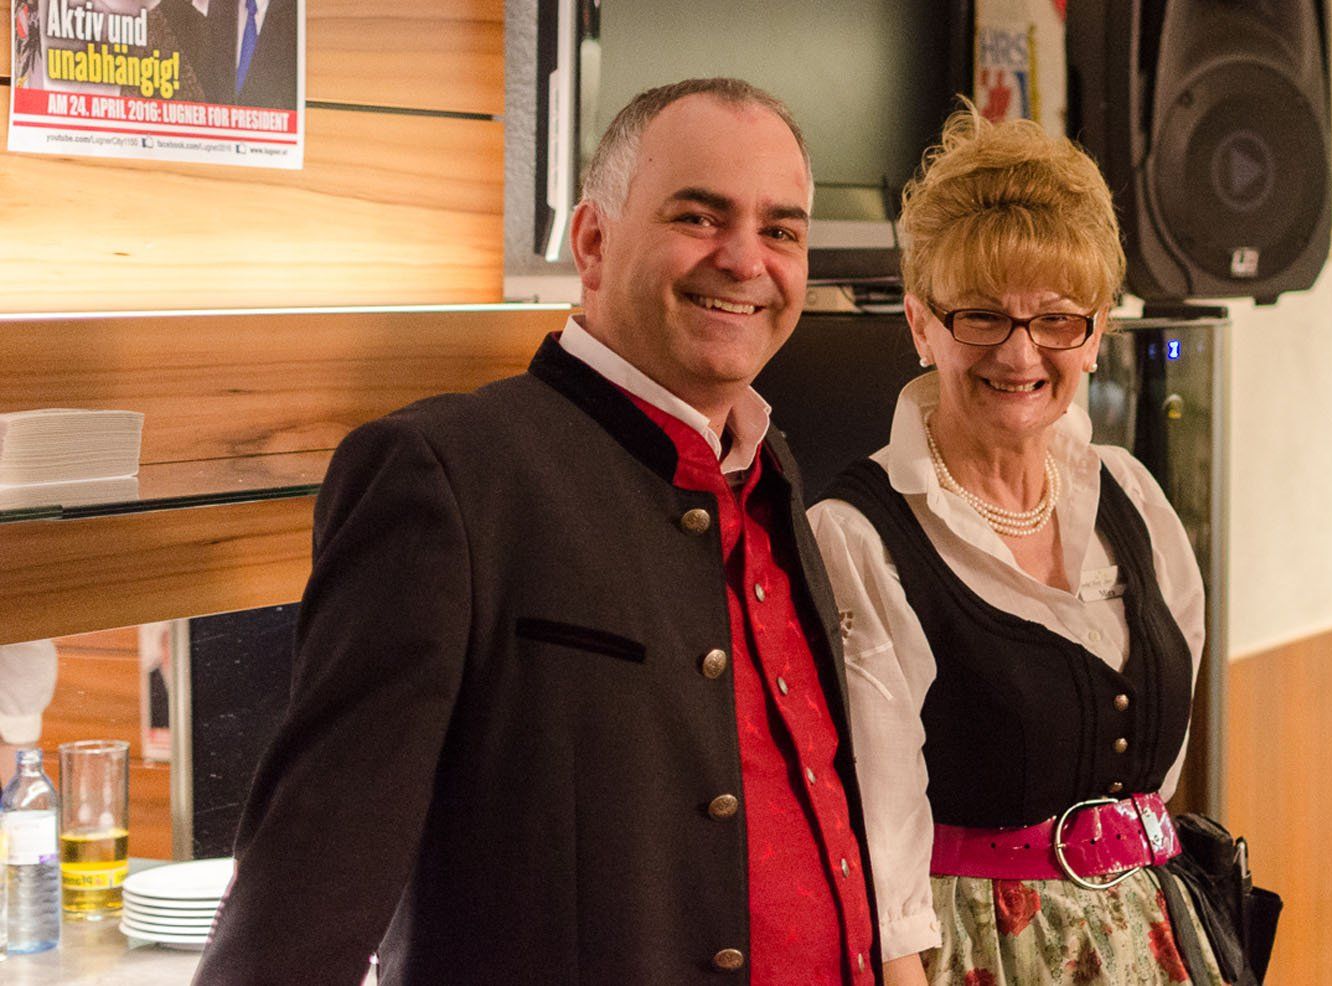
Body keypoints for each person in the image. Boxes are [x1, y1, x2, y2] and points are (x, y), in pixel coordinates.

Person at [193, 78, 879, 985]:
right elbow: (305, 897)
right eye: (699, 217)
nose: (746, 260)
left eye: (781, 231)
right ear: (591, 242)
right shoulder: (447, 473)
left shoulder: (770, 464)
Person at [808, 108, 1224, 986]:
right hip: (982, 951)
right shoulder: (859, 534)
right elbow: (880, 832)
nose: (1020, 353)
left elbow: (1163, 763)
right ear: (921, 325)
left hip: (1155, 933)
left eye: (1057, 320)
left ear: (1096, 334)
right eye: (982, 316)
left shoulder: (1133, 495)